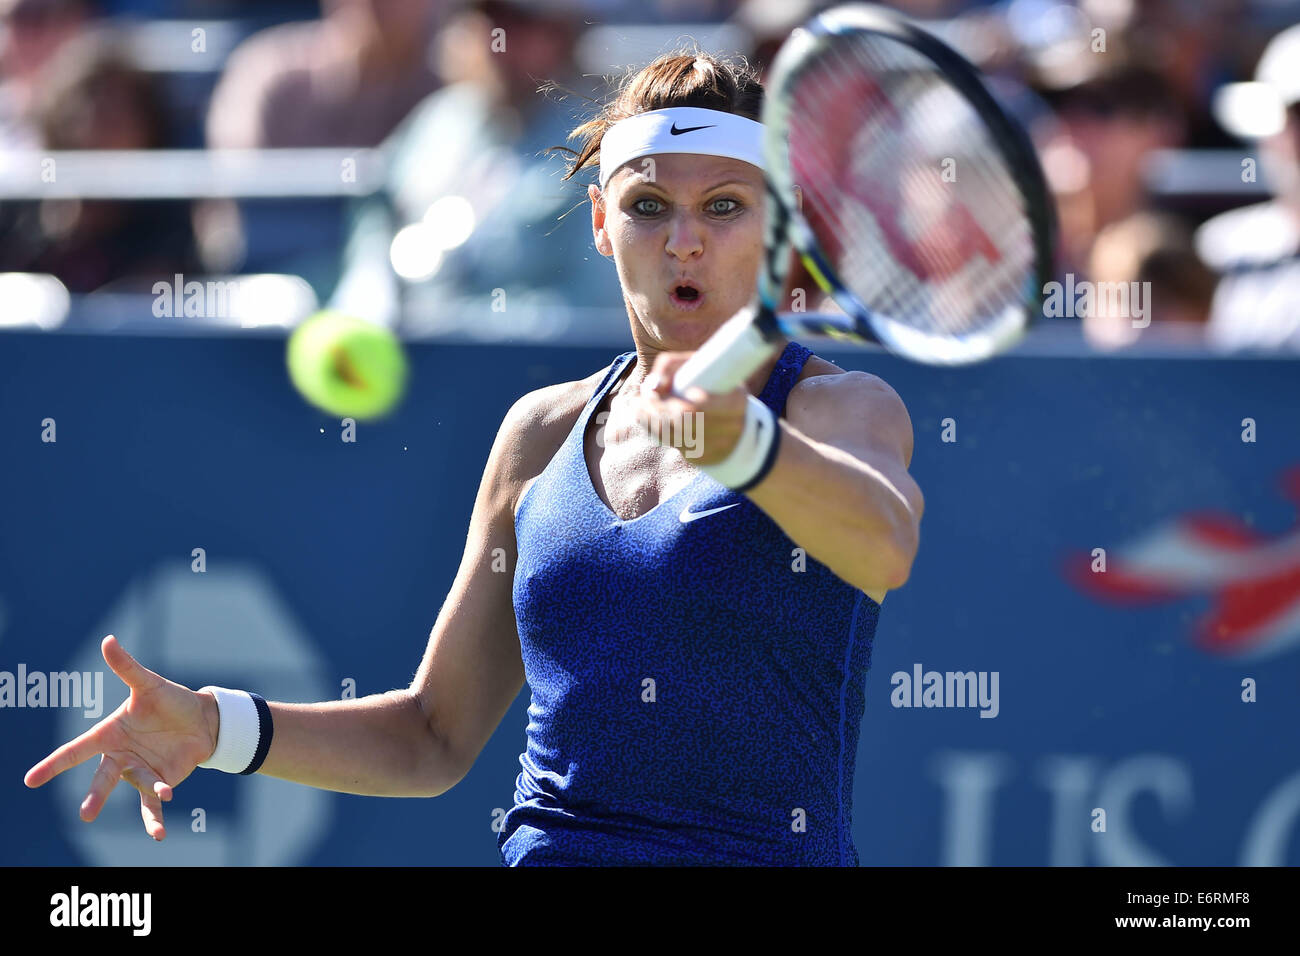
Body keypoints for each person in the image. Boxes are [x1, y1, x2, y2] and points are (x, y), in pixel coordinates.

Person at [24, 50, 924, 866]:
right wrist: (216, 727)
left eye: (723, 207)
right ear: (604, 227)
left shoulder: (838, 410)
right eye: (649, 206)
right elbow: (432, 735)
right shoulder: (539, 433)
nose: (683, 239)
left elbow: (883, 545)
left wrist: (749, 446)